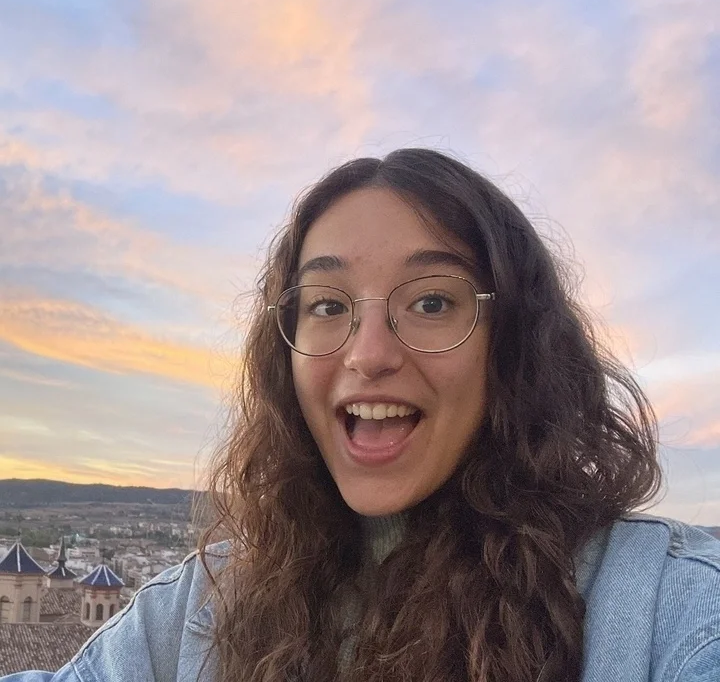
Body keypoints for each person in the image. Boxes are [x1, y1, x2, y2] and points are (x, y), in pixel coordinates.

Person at [4, 149, 719, 682]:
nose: (368, 353)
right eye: (327, 305)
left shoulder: (669, 611)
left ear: (514, 345)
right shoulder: (206, 606)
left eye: (432, 301)